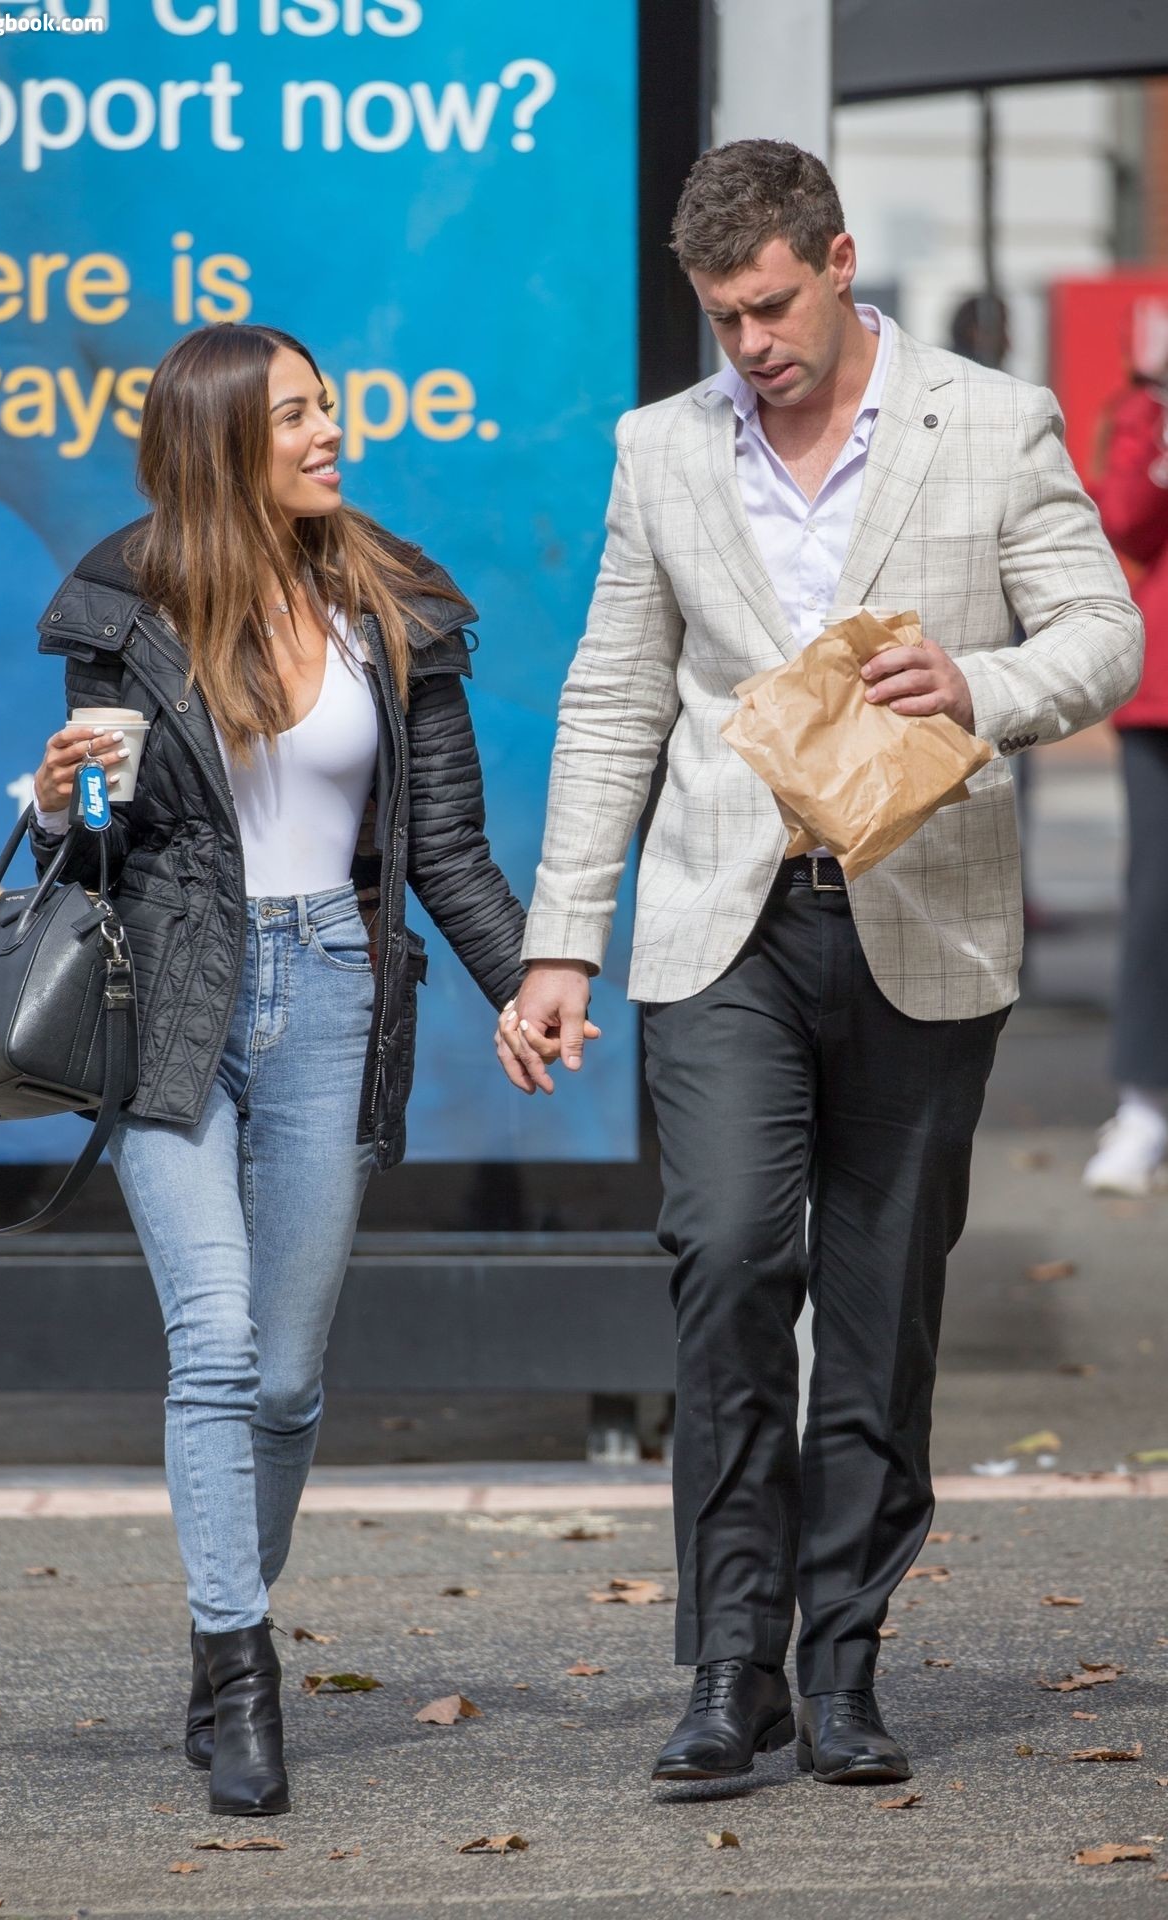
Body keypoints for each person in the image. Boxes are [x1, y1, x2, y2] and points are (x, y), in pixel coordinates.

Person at [496, 140, 1142, 1790]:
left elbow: (1100, 634)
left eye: (770, 306)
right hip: (720, 919)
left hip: (922, 917)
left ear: (837, 262)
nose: (749, 345)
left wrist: (980, 684)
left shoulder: (986, 421)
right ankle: (731, 1663)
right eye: (720, 318)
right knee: (723, 1260)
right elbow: (610, 697)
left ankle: (838, 1658)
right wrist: (561, 938)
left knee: (875, 1302)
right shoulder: (660, 449)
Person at [29, 323, 526, 1818]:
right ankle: (245, 1676)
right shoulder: (123, 603)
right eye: (295, 416)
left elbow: (444, 846)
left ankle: (216, 1631)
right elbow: (96, 842)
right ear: (220, 444)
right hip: (168, 992)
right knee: (220, 1346)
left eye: (326, 407)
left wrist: (526, 986)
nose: (327, 433)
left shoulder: (392, 600)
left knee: (291, 1382)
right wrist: (57, 804)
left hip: (330, 989)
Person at [1083, 355, 1168, 1194]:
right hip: (1163, 702)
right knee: (1155, 902)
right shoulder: (1149, 405)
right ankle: (1143, 1104)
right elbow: (1127, 522)